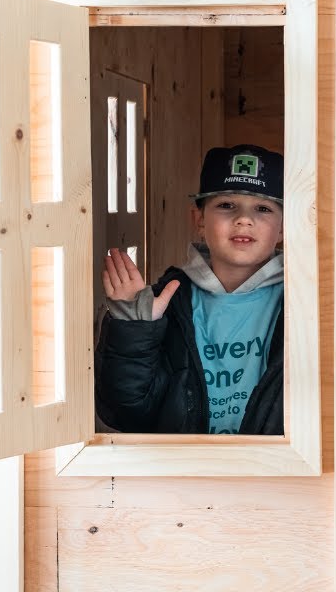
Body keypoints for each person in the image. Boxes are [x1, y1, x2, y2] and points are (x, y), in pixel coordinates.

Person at [96, 144, 286, 435]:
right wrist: (132, 329)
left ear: (284, 227)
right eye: (226, 205)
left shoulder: (304, 303)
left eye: (263, 208)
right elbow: (126, 414)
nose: (244, 220)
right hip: (185, 473)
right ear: (199, 220)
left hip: (279, 474)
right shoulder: (167, 302)